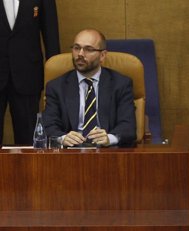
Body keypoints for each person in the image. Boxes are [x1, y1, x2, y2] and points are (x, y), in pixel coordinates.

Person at [42, 29, 136, 147]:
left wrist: (109, 138)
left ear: (102, 55)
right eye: (76, 48)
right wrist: (63, 138)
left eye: (88, 49)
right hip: (71, 153)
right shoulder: (56, 86)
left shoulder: (120, 84)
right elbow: (49, 125)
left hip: (108, 152)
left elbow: (128, 126)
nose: (80, 54)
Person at [0, 0, 59, 146]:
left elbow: (51, 33)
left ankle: (26, 169)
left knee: (27, 137)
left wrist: (54, 82)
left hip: (27, 74)